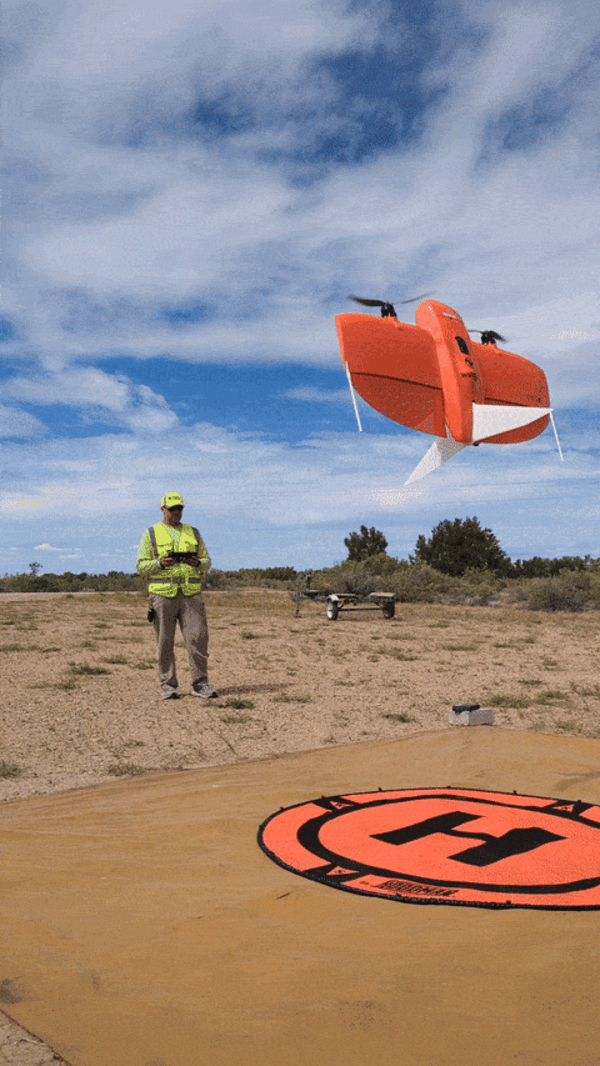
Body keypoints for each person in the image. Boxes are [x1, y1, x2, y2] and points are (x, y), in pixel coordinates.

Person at [136, 492, 217, 700]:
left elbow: (207, 561)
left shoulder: (193, 532)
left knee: (198, 639)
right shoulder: (151, 533)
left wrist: (197, 563)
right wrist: (160, 563)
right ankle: (168, 685)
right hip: (163, 596)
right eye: (172, 509)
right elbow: (141, 566)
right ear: (163, 509)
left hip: (191, 595)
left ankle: (201, 685)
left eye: (179, 509)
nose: (176, 513)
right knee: (165, 642)